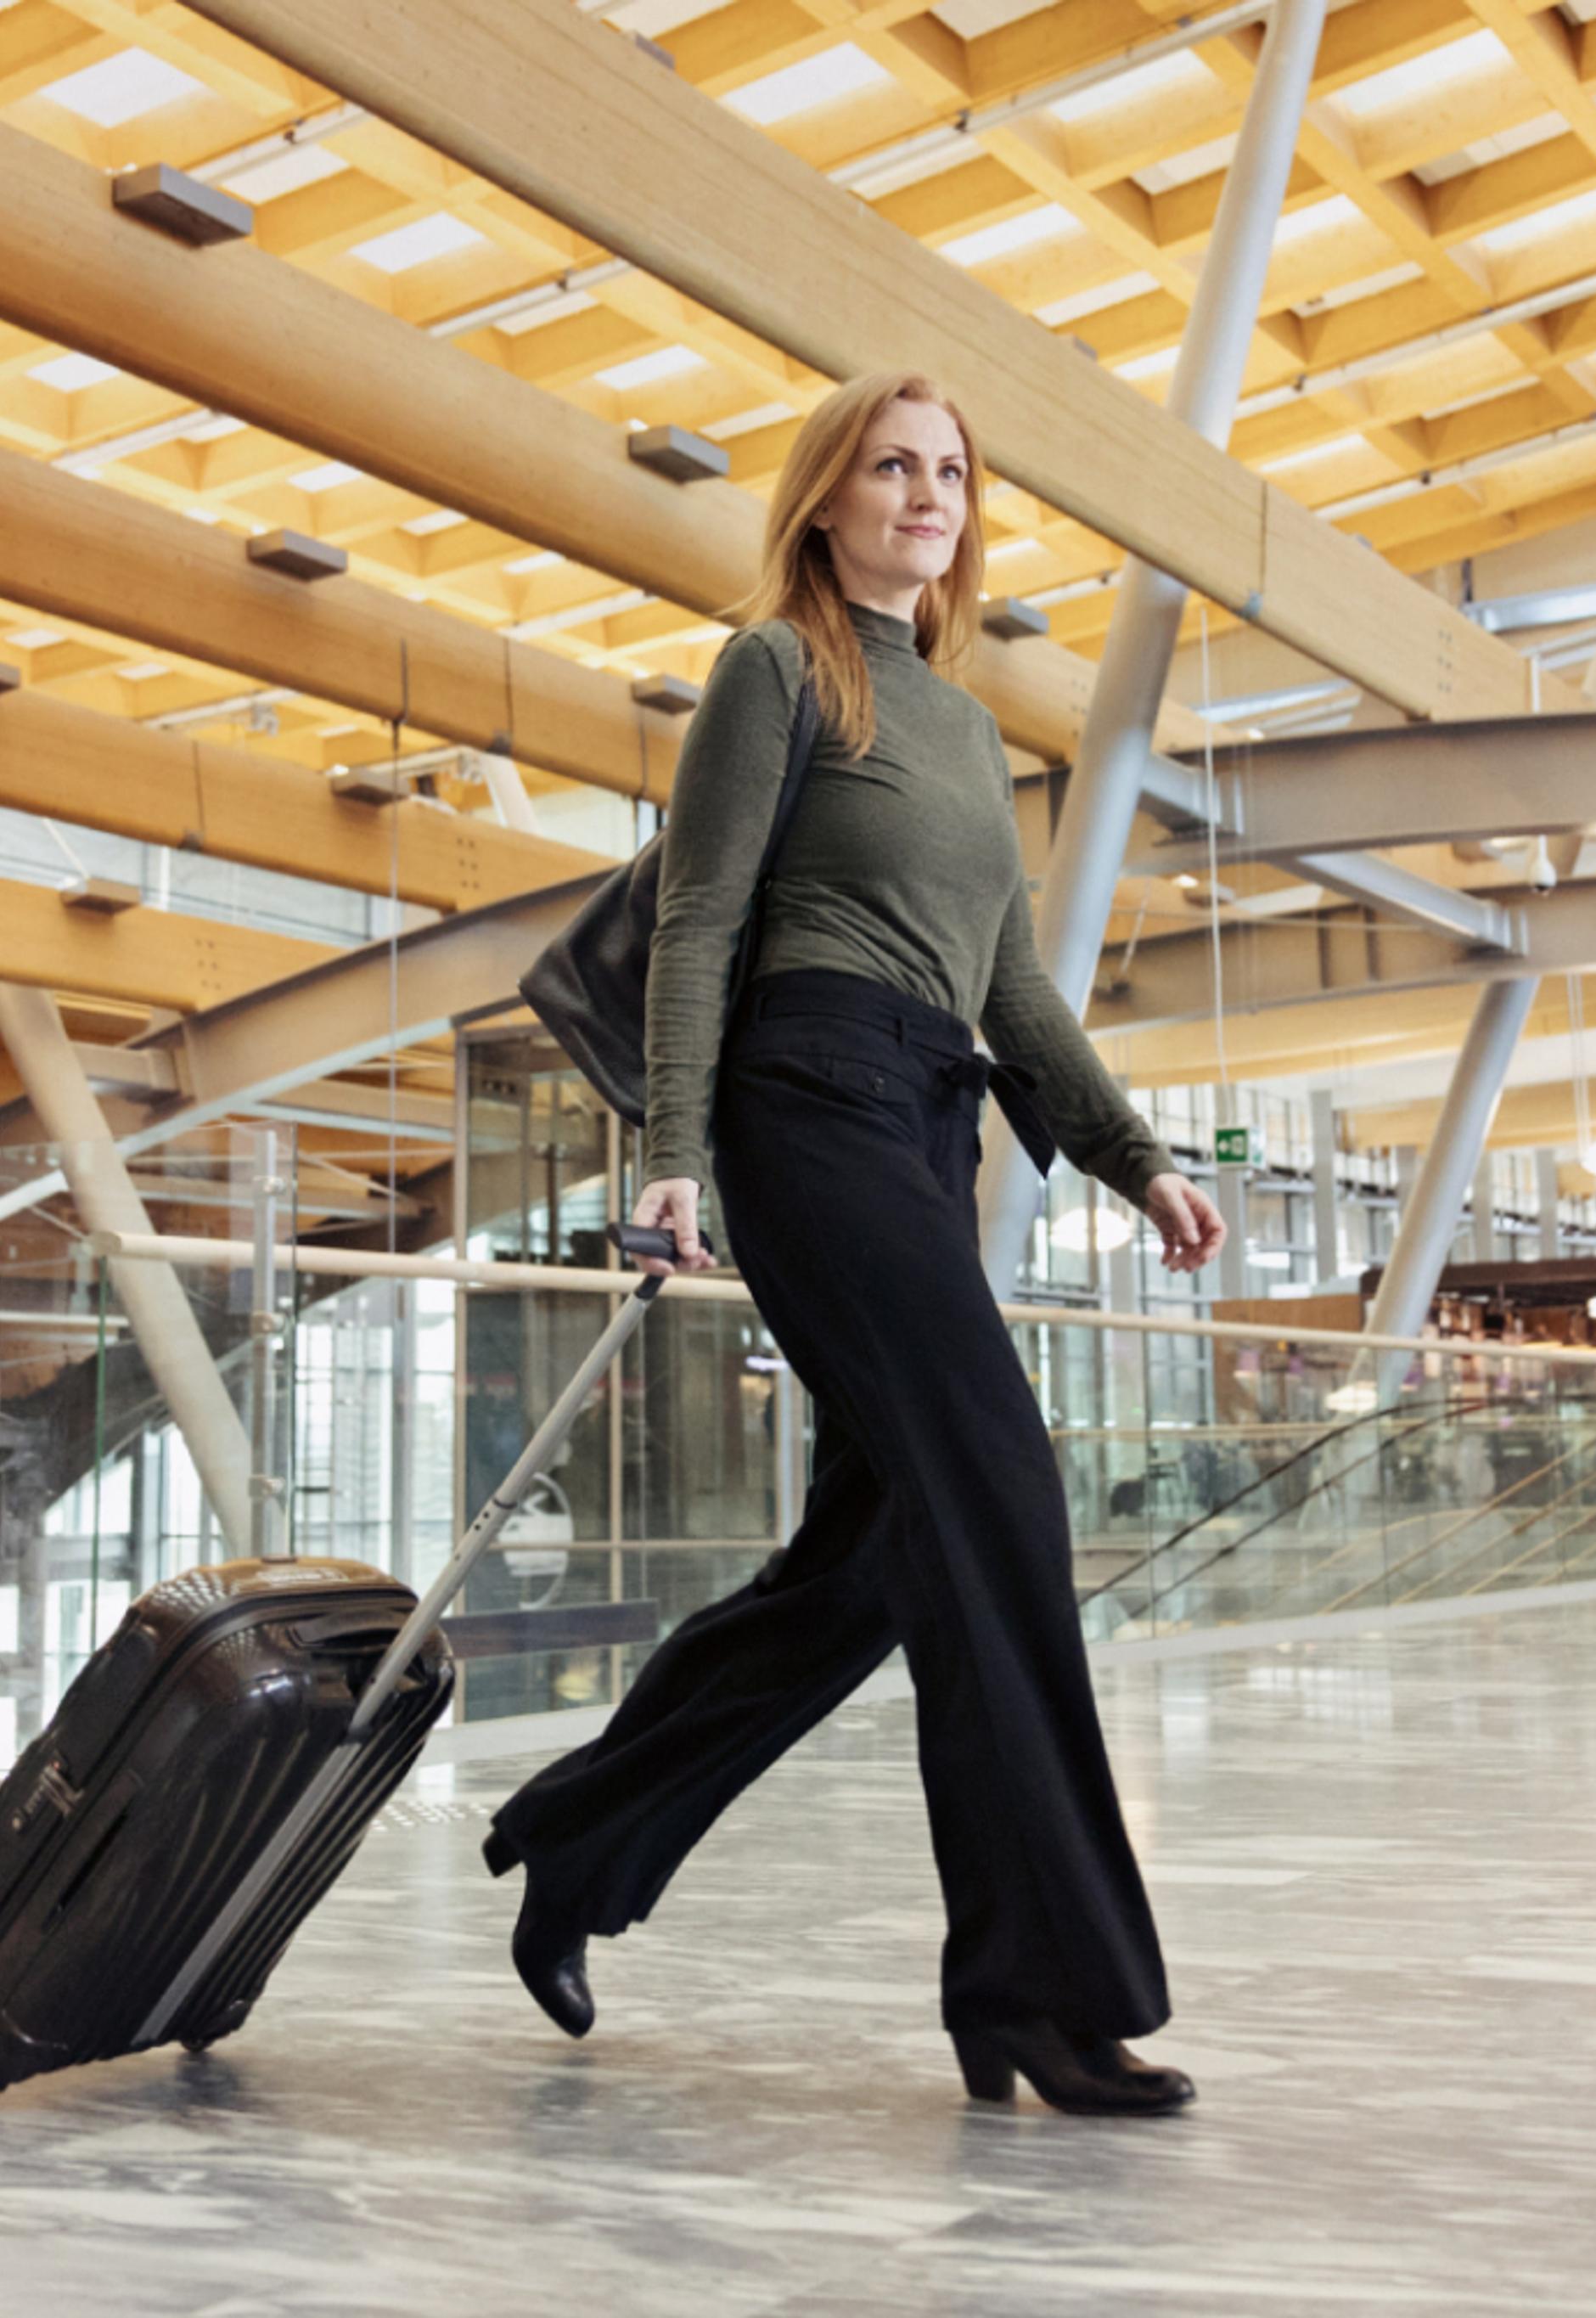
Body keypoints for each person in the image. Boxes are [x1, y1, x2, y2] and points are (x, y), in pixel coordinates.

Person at [484, 371, 1228, 2117]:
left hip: (926, 1119)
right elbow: (698, 922)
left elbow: (1011, 988)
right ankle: (1037, 1991)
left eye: (951, 470)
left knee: (882, 1555)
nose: (927, 493)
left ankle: (580, 1835)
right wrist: (672, 1155)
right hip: (805, 1103)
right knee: (1000, 1490)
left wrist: (1134, 1161)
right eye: (892, 465)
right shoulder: (774, 670)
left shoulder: (964, 729)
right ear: (826, 497)